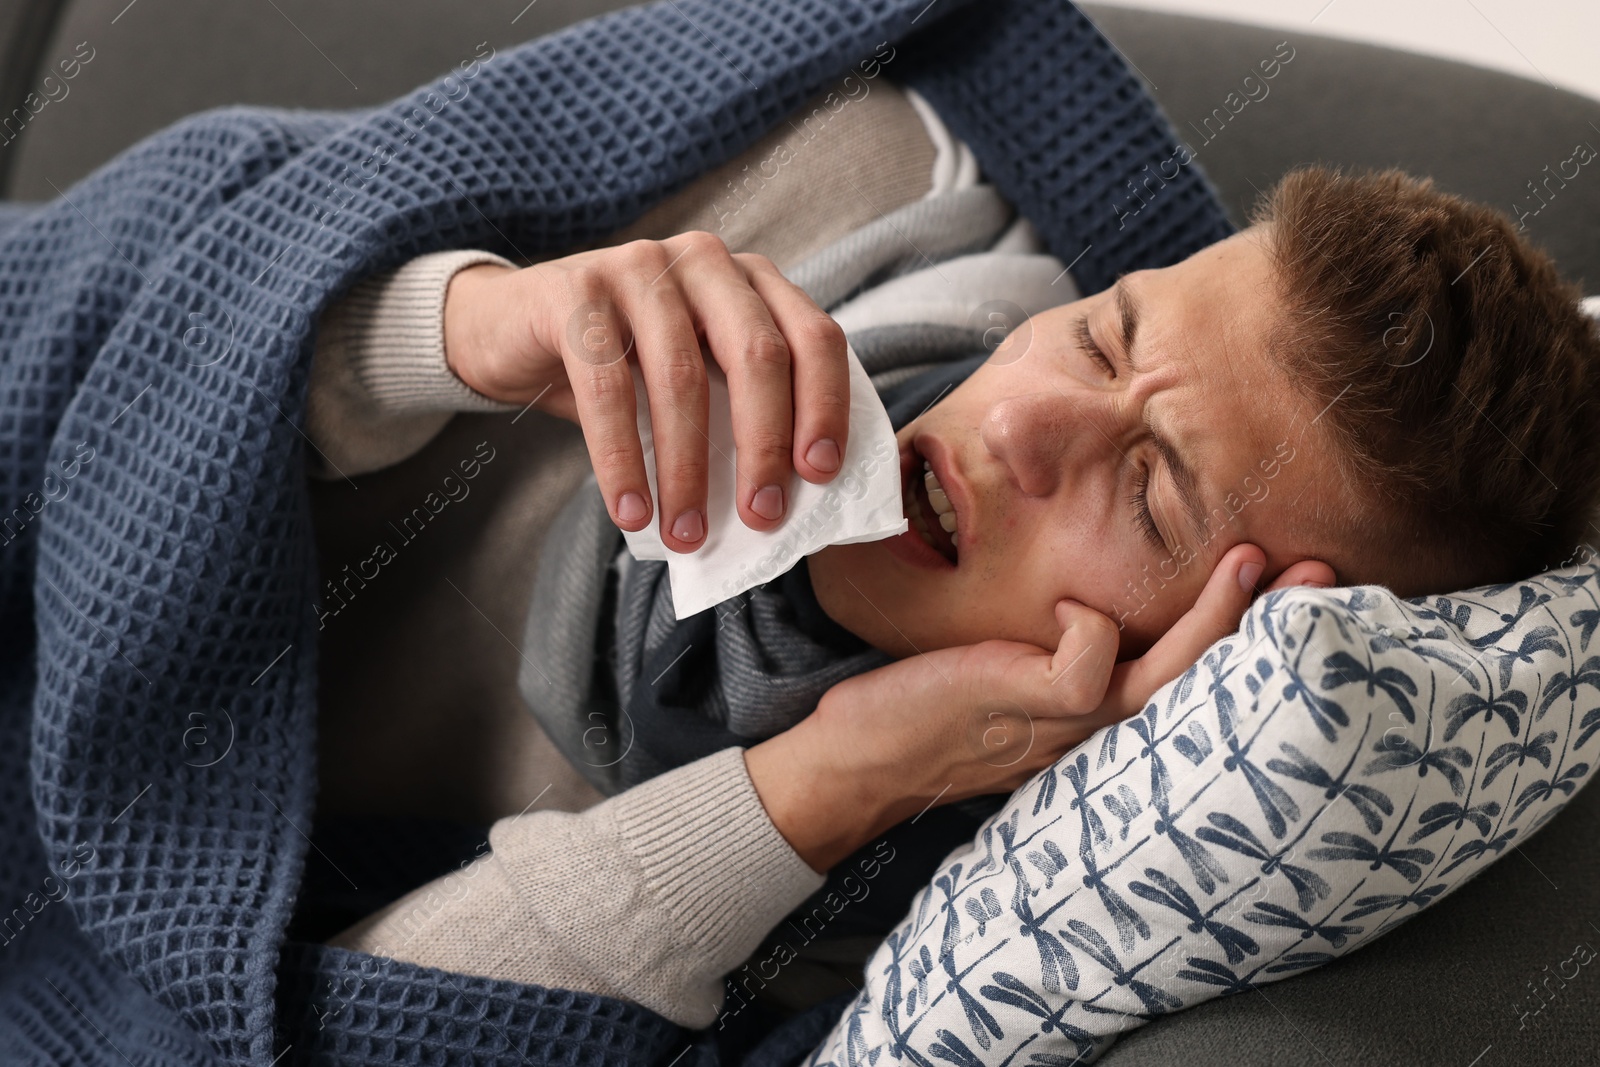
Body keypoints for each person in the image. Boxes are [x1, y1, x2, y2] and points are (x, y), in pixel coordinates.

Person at [299, 72, 1600, 1038]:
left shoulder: (859, 936)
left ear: (1210, 655)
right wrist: (455, 328)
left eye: (1149, 499)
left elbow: (304, 1025)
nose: (1021, 420)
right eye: (1099, 337)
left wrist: (831, 781)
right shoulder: (851, 175)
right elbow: (172, 289)